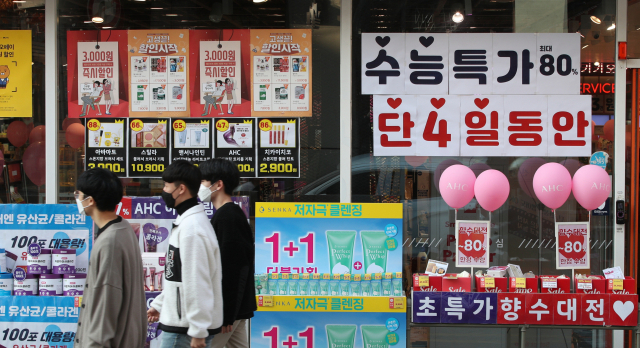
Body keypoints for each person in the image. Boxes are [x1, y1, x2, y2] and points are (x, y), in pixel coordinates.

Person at [147, 160, 223, 348]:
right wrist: (160, 303)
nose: (163, 191)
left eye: (166, 186)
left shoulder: (192, 228)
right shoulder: (186, 222)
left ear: (181, 189)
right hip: (183, 324)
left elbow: (197, 281)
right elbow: (179, 276)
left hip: (185, 330)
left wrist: (198, 330)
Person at [74, 168, 146, 348]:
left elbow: (106, 306)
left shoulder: (109, 242)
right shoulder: (124, 228)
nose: (77, 199)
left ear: (90, 200)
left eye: (78, 194)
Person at [198, 159, 256, 348]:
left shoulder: (227, 217)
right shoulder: (230, 214)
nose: (201, 186)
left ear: (218, 184)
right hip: (234, 310)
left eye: (204, 181)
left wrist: (226, 314)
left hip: (227, 312)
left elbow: (233, 269)